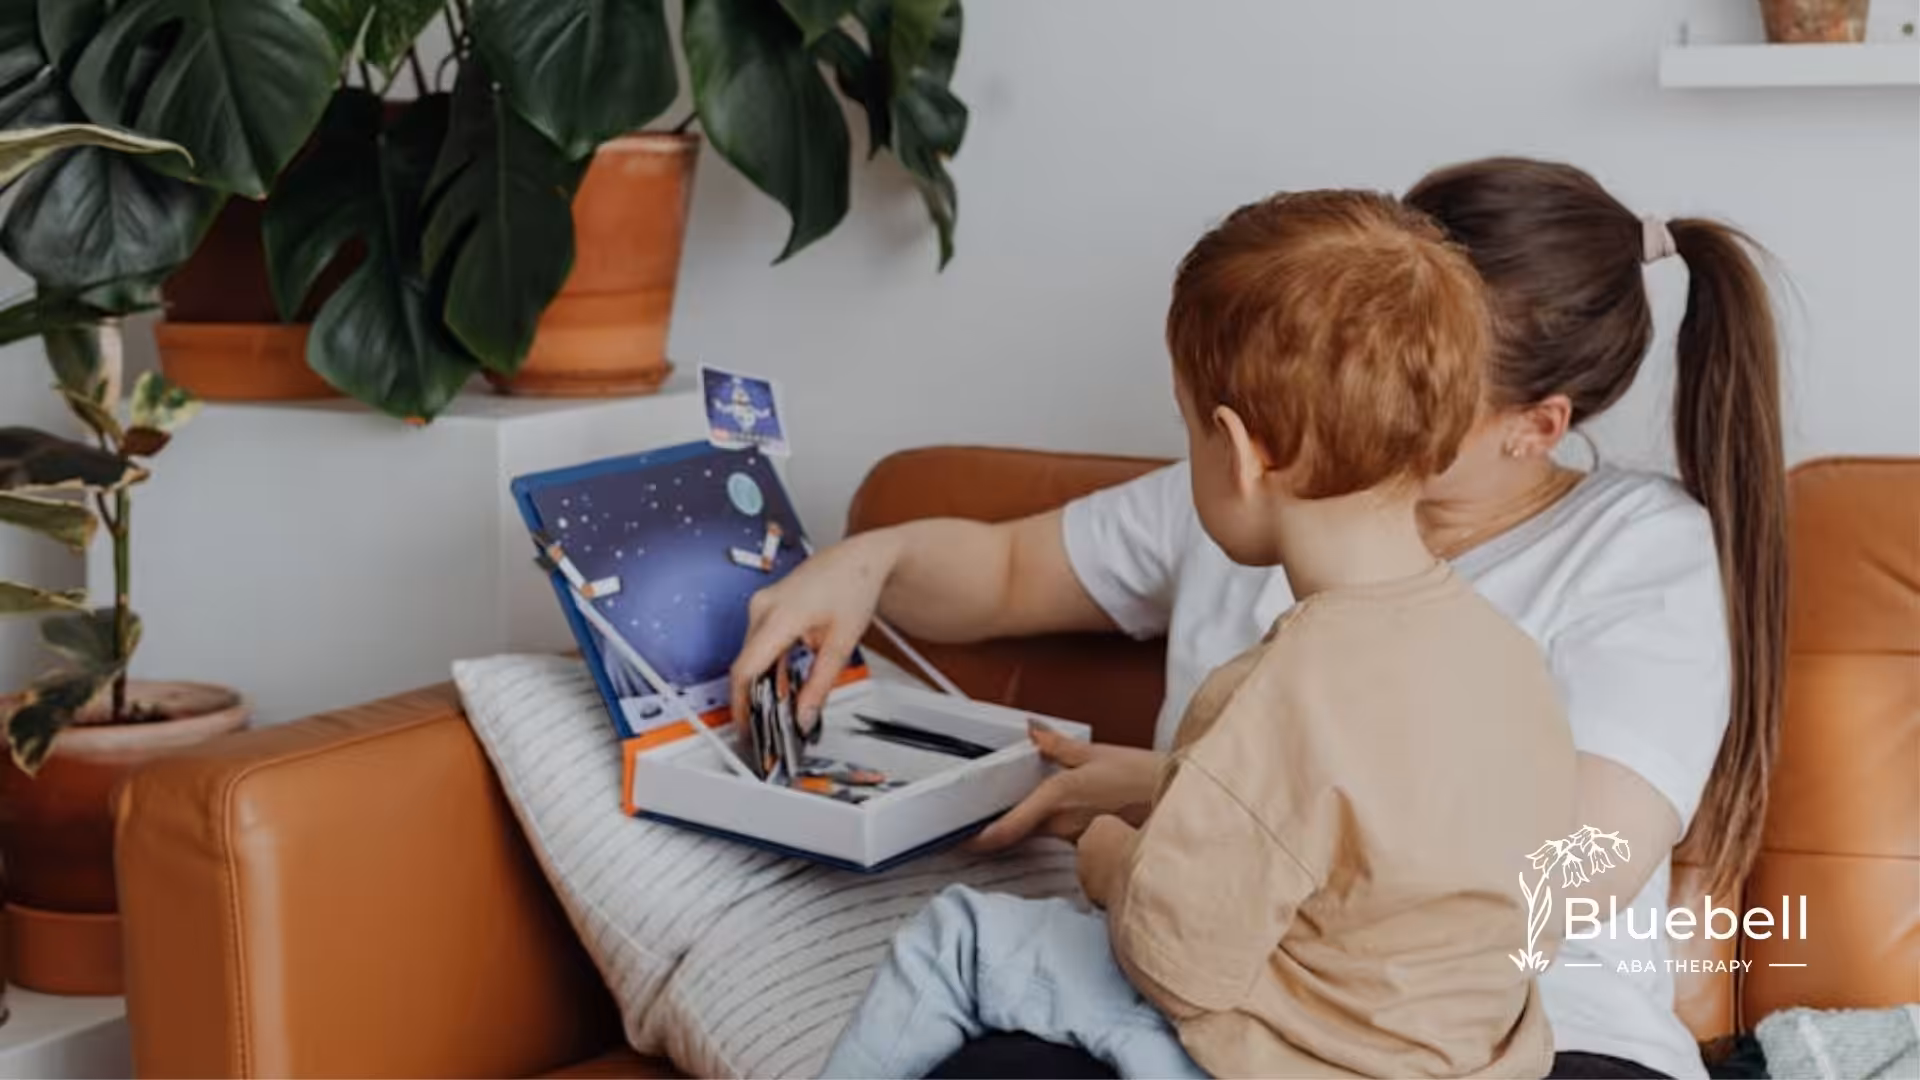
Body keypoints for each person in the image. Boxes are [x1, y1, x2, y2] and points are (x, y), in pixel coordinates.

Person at [732, 157, 1786, 1080]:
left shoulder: (1638, 550)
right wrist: (865, 563)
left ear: (1535, 426)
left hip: (1532, 1024)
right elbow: (1009, 567)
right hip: (1228, 985)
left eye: (1425, 368)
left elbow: (1548, 879)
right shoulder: (1283, 481)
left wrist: (1202, 800)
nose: (1374, 386)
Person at [819, 189, 1573, 1080]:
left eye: (1187, 429)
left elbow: (1178, 957)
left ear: (1239, 452)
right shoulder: (1510, 660)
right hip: (1463, 1059)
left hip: (1286, 1059)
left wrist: (1108, 856)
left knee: (960, 938)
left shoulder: (1275, 693)